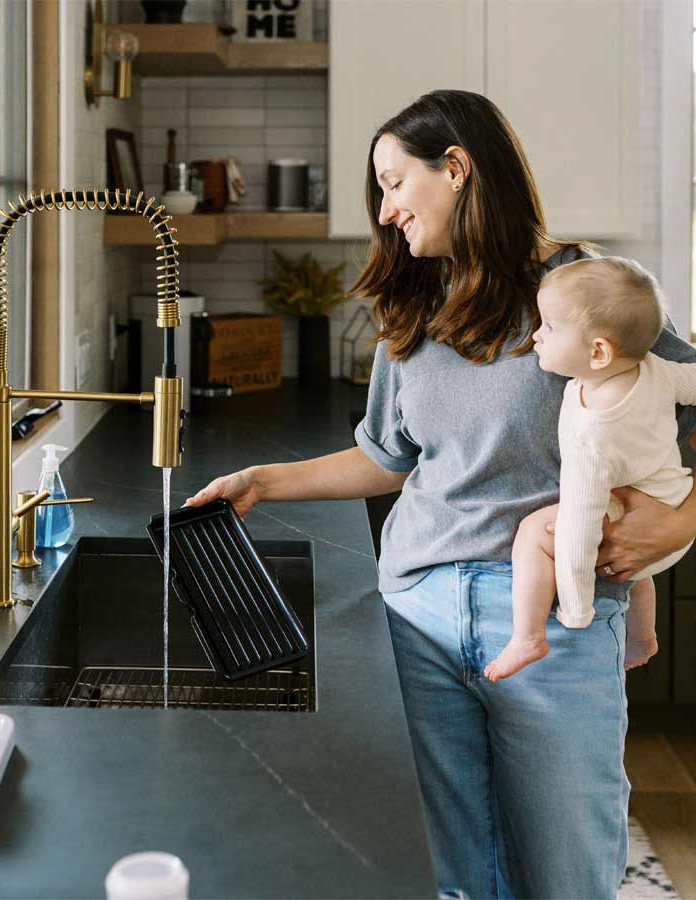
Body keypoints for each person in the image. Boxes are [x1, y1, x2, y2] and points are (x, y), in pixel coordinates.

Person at [184, 90, 696, 899]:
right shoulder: (410, 307)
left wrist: (679, 521)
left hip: (550, 625)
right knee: (455, 878)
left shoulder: (580, 287)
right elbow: (388, 457)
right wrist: (266, 481)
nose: (385, 212)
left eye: (393, 183)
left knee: (566, 873)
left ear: (455, 167)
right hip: (415, 612)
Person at [484, 257, 696, 684]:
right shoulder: (656, 371)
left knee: (535, 533)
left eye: (549, 327)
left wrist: (577, 608)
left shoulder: (592, 436)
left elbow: (580, 524)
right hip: (672, 501)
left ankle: (528, 636)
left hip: (644, 527)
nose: (536, 335)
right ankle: (642, 636)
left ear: (598, 352)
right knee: (636, 574)